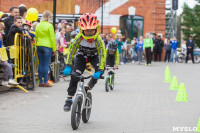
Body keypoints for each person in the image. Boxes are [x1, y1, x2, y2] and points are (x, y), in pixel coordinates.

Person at [62, 13, 106, 112]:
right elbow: (72, 50)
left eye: (91, 30)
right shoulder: (79, 37)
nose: (89, 32)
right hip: (82, 57)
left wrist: (100, 70)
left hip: (94, 57)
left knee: (99, 71)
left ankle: (89, 85)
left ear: (96, 29)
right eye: (86, 30)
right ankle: (69, 99)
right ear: (82, 30)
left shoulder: (98, 40)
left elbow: (103, 56)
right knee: (75, 75)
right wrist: (68, 65)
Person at [35, 10, 56, 87]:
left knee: (40, 64)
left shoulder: (38, 25)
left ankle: (40, 81)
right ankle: (46, 81)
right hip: (47, 46)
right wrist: (54, 49)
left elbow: (36, 36)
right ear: (49, 17)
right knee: (46, 64)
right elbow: (52, 38)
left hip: (39, 45)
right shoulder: (50, 26)